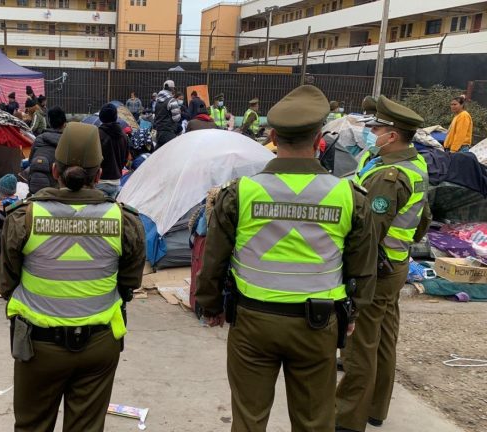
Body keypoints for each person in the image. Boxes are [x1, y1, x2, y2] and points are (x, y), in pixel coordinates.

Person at [195, 85, 377, 432]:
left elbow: (214, 259)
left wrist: (211, 305)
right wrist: (353, 312)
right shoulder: (348, 196)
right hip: (318, 325)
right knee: (313, 421)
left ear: (274, 137)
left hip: (253, 323)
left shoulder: (240, 192)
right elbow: (362, 268)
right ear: (320, 139)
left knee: (248, 419)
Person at [0, 122, 146, 432]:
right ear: (99, 175)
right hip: (100, 344)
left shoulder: (25, 217)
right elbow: (129, 283)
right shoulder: (124, 220)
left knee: (31, 426)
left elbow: (6, 283)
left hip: (38, 346)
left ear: (54, 170)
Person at [336, 96, 432, 432]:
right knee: (385, 336)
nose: (369, 133)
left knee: (361, 341)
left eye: (375, 128)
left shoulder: (388, 175)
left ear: (392, 135)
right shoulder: (416, 164)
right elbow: (424, 218)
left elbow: (368, 233)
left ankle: (348, 417)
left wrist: (351, 272)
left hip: (376, 269)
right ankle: (376, 407)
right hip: (396, 263)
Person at [28, 106, 67, 195]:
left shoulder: (39, 139)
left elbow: (31, 161)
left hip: (35, 188)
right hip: (57, 190)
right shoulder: (67, 141)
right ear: (64, 124)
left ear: (49, 121)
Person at [97, 103, 128, 198]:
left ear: (101, 117)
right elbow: (125, 160)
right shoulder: (124, 136)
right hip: (116, 182)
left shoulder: (97, 134)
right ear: (116, 117)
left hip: (99, 182)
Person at [153, 79, 182, 148]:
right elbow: (176, 118)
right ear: (172, 89)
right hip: (169, 132)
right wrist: (179, 112)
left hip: (159, 132)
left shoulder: (157, 101)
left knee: (159, 154)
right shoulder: (172, 100)